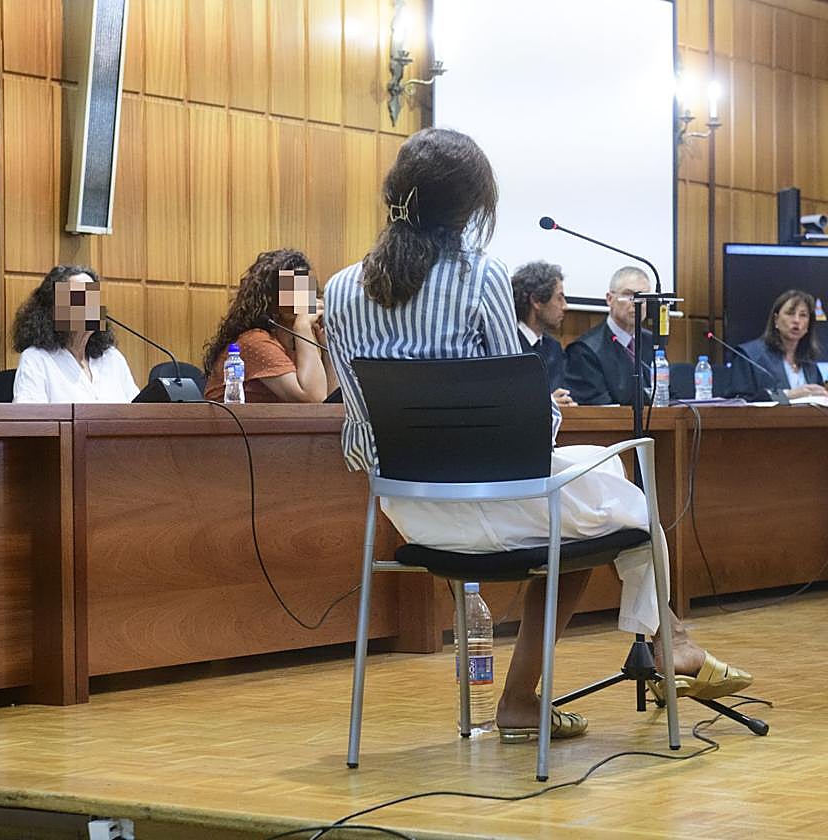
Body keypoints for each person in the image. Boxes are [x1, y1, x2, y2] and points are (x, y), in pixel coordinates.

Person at [322, 127, 751, 743]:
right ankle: (667, 642)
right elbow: (522, 425)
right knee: (619, 494)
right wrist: (549, 413)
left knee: (595, 493)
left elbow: (361, 426)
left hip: (406, 512)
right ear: (472, 208)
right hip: (491, 504)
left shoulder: (339, 289)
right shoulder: (483, 278)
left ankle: (543, 693)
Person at [202, 249, 338, 403]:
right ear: (270, 298)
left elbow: (330, 403)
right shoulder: (254, 341)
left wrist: (329, 349)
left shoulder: (295, 348)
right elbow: (313, 400)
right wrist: (303, 327)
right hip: (233, 426)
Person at [12, 265, 139, 403]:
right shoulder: (36, 359)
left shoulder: (112, 358)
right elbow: (31, 420)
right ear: (53, 310)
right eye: (78, 298)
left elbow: (140, 413)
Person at [563, 266, 654, 405]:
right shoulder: (585, 350)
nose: (637, 303)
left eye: (643, 297)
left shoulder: (652, 342)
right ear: (609, 299)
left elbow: (667, 394)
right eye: (629, 295)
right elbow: (601, 408)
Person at [727, 289, 828, 401]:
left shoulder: (809, 362)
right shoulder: (749, 356)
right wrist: (786, 395)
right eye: (790, 313)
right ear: (776, 320)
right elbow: (739, 401)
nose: (796, 320)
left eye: (803, 315)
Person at [511, 260, 575, 407]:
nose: (565, 306)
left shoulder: (554, 347)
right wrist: (549, 403)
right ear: (537, 301)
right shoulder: (509, 345)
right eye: (559, 298)